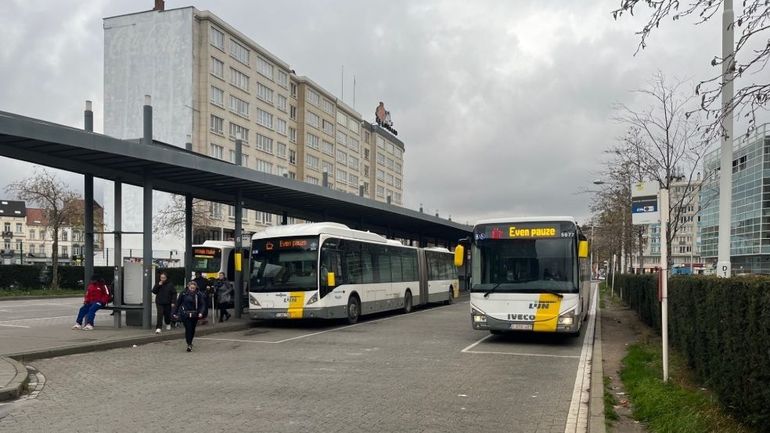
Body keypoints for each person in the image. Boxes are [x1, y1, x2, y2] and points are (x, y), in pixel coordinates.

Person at [173, 280, 206, 352]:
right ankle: (189, 344)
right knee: (188, 328)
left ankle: (190, 342)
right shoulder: (183, 293)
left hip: (195, 314)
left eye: (193, 288)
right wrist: (174, 313)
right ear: (188, 287)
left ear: (196, 287)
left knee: (192, 329)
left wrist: (201, 312)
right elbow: (178, 303)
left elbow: (202, 304)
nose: (192, 289)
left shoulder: (199, 294)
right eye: (191, 288)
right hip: (185, 314)